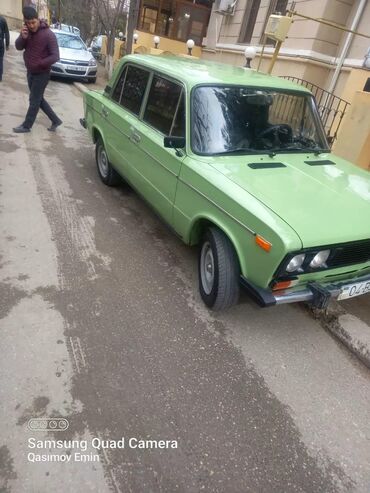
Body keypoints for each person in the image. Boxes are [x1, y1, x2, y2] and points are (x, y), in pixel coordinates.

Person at [13, 6, 62, 133]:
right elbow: (19, 47)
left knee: (34, 100)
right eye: (28, 23)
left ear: (38, 19)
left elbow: (55, 56)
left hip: (42, 74)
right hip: (30, 72)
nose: (31, 26)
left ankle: (26, 126)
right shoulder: (27, 32)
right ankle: (55, 120)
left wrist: (40, 63)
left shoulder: (48, 35)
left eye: (33, 22)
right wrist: (22, 37)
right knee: (37, 99)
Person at [0, 14, 10, 82]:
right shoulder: (3, 20)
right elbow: (7, 33)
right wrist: (7, 45)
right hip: (0, 43)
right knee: (0, 60)